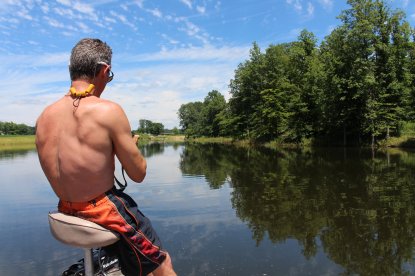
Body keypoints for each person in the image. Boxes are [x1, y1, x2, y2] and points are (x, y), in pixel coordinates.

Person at [36, 38, 176, 276]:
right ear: (105, 70)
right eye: (108, 78)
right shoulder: (108, 111)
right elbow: (138, 174)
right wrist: (128, 148)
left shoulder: (44, 116)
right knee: (162, 263)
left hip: (65, 209)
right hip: (101, 209)